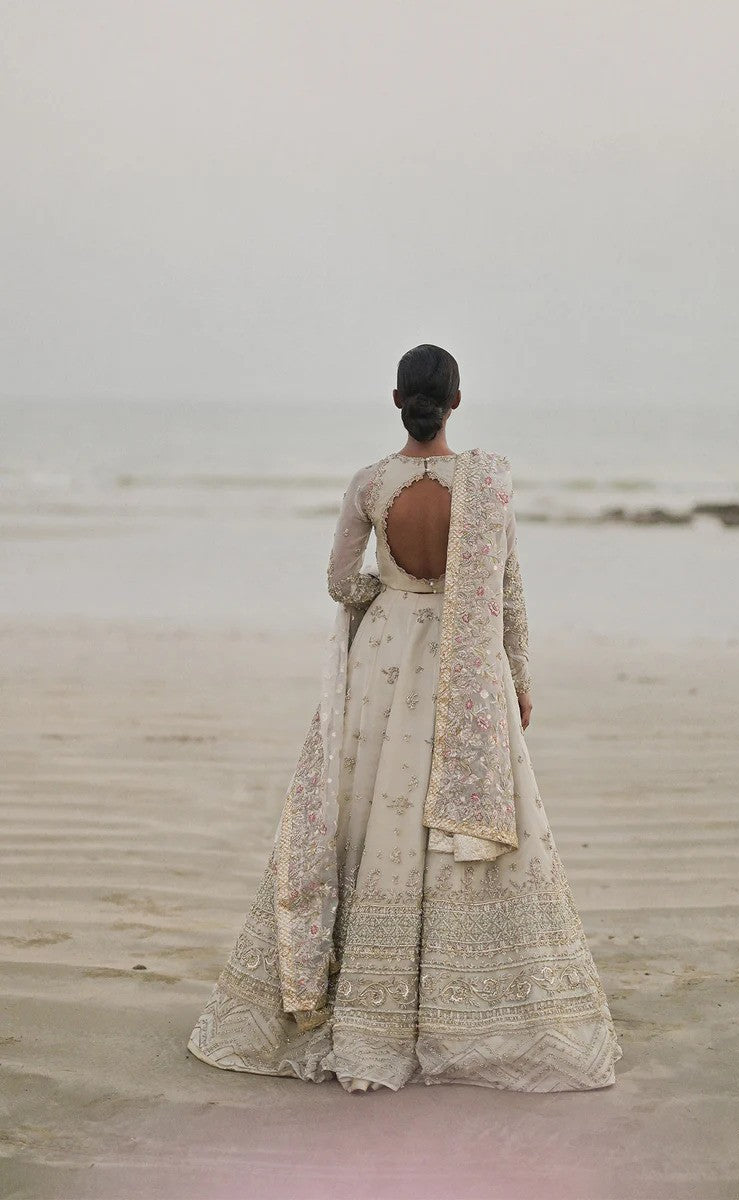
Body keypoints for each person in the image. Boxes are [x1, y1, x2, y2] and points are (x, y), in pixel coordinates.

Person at [187, 344, 623, 1093]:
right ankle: (476, 1008)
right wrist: (517, 677)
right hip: (466, 665)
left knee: (366, 817)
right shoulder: (485, 486)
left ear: (398, 399)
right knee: (455, 825)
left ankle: (360, 1000)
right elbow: (507, 592)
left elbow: (336, 581)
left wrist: (383, 603)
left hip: (383, 660)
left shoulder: (371, 483)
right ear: (457, 400)